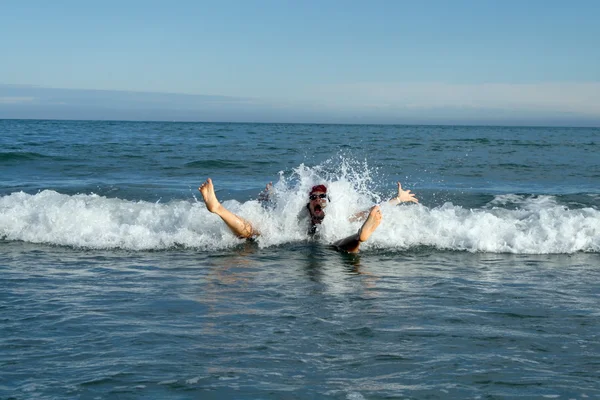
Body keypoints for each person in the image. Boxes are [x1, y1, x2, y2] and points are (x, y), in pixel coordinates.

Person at [198, 178, 418, 253]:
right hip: (295, 238)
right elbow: (279, 206)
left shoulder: (335, 218)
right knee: (251, 231)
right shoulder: (296, 217)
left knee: (342, 244)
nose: (319, 199)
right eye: (314, 196)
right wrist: (271, 194)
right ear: (308, 203)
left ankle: (362, 235)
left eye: (323, 196)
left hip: (333, 242)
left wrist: (397, 200)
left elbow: (370, 212)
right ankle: (218, 208)